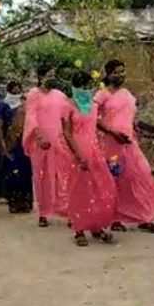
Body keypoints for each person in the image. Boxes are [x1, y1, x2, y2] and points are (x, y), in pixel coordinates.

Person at [95, 59, 154, 233]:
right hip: (111, 145)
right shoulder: (102, 95)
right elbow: (93, 119)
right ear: (108, 74)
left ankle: (144, 217)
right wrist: (112, 132)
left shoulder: (126, 93)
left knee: (142, 175)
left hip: (130, 143)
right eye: (117, 72)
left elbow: (129, 116)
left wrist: (136, 128)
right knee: (115, 179)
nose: (121, 75)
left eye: (123, 71)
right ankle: (114, 218)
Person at [62, 71, 118, 247]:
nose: (86, 90)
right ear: (76, 87)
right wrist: (78, 155)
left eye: (88, 86)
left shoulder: (93, 105)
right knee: (79, 190)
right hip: (78, 151)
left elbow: (97, 124)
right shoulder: (69, 105)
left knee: (100, 188)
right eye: (83, 86)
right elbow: (67, 132)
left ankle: (96, 226)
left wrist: (113, 132)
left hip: (95, 150)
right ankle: (78, 229)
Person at [23, 65, 74, 227]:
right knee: (41, 177)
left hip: (58, 143)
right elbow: (31, 117)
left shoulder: (59, 95)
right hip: (41, 144)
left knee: (63, 176)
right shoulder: (33, 95)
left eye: (54, 75)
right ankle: (43, 213)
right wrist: (39, 137)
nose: (52, 78)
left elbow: (68, 115)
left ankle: (66, 210)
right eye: (49, 75)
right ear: (41, 77)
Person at [1, 81, 32, 214]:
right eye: (14, 90)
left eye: (18, 90)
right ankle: (14, 203)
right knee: (13, 174)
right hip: (11, 144)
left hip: (24, 144)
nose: (16, 93)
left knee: (25, 174)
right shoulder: (3, 106)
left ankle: (25, 203)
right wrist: (3, 146)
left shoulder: (26, 108)